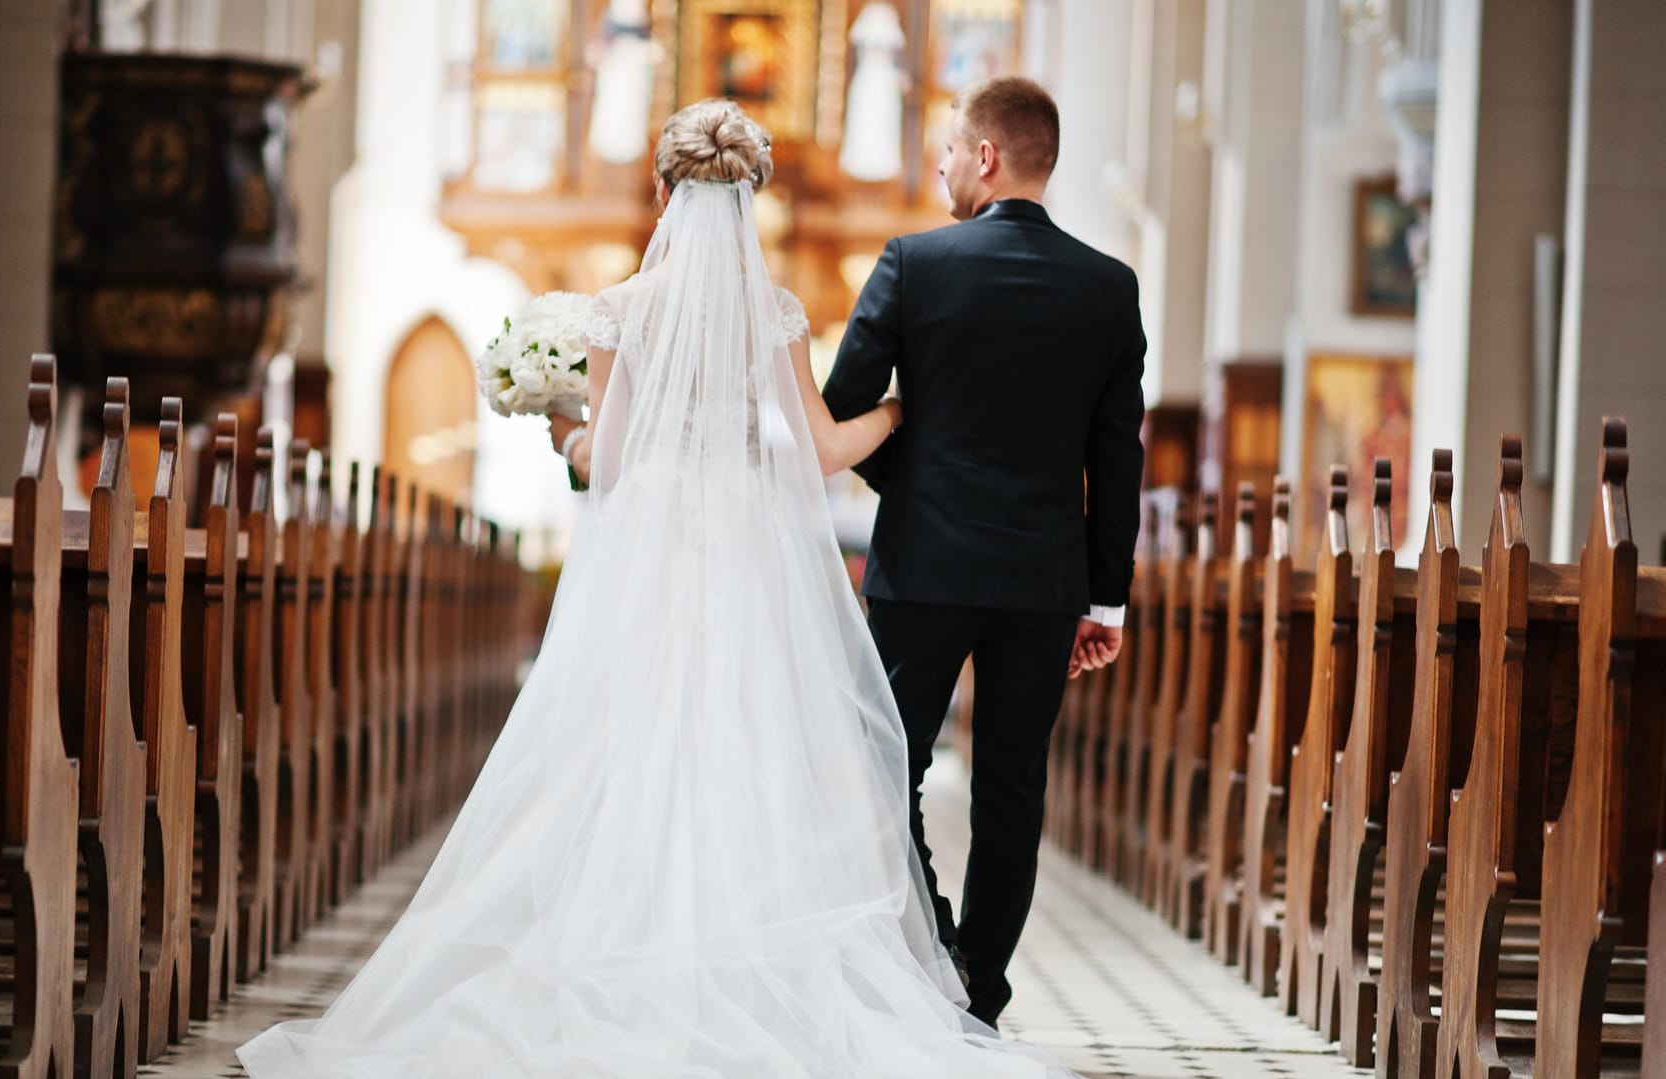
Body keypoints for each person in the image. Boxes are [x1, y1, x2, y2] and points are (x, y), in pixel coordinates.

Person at [237, 98, 1072, 1077]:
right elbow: (820, 450)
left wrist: (564, 432)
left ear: (662, 191)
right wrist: (902, 409)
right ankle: (753, 964)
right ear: (747, 201)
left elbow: (613, 459)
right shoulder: (774, 312)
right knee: (748, 745)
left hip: (654, 544)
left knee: (634, 745)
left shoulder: (621, 307)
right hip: (748, 547)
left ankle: (619, 944)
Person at [822, 75, 1147, 1026]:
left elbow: (844, 410)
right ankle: (980, 991)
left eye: (951, 150)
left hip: (924, 566)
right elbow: (1115, 456)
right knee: (1013, 784)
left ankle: (929, 943)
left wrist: (916, 484)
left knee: (888, 764)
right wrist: (1105, 598)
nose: (941, 166)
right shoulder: (1107, 286)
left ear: (989, 157)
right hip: (1044, 583)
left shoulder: (915, 263)